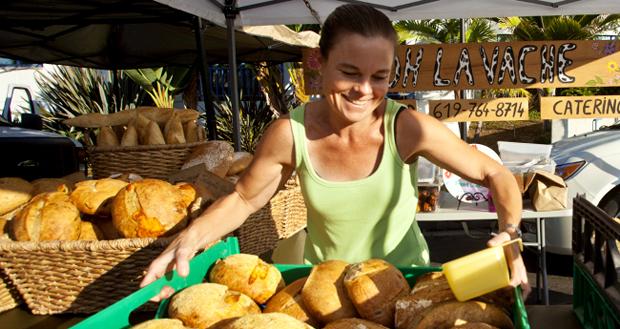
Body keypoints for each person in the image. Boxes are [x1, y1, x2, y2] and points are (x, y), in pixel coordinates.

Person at [141, 3, 530, 300]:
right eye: (349, 72)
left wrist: (510, 234)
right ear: (318, 63)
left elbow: (496, 174)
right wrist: (188, 242)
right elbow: (244, 198)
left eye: (379, 77)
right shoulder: (289, 134)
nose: (364, 90)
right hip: (323, 293)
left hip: (402, 288)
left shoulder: (406, 128)